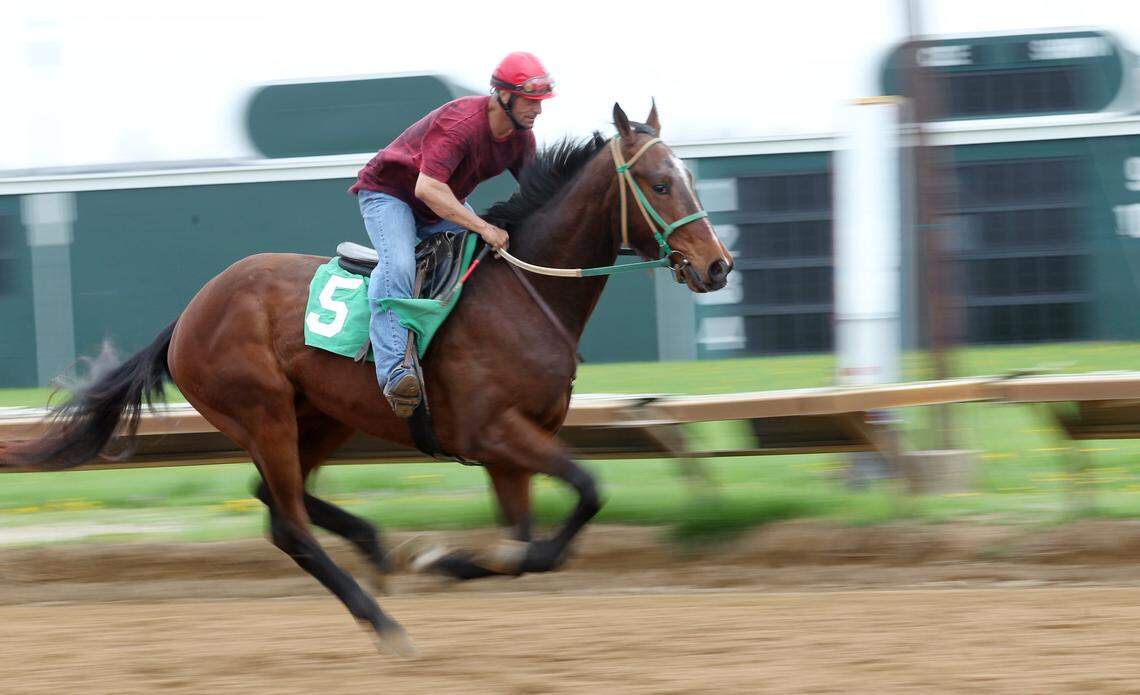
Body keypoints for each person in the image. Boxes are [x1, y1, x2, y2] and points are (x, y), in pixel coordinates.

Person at [348, 52, 554, 417]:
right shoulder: (462, 123)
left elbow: (542, 198)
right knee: (399, 266)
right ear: (504, 96)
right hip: (390, 196)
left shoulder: (521, 139)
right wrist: (483, 226)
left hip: (439, 204)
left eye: (540, 101)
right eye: (530, 100)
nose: (537, 110)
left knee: (489, 259)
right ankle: (394, 372)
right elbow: (427, 188)